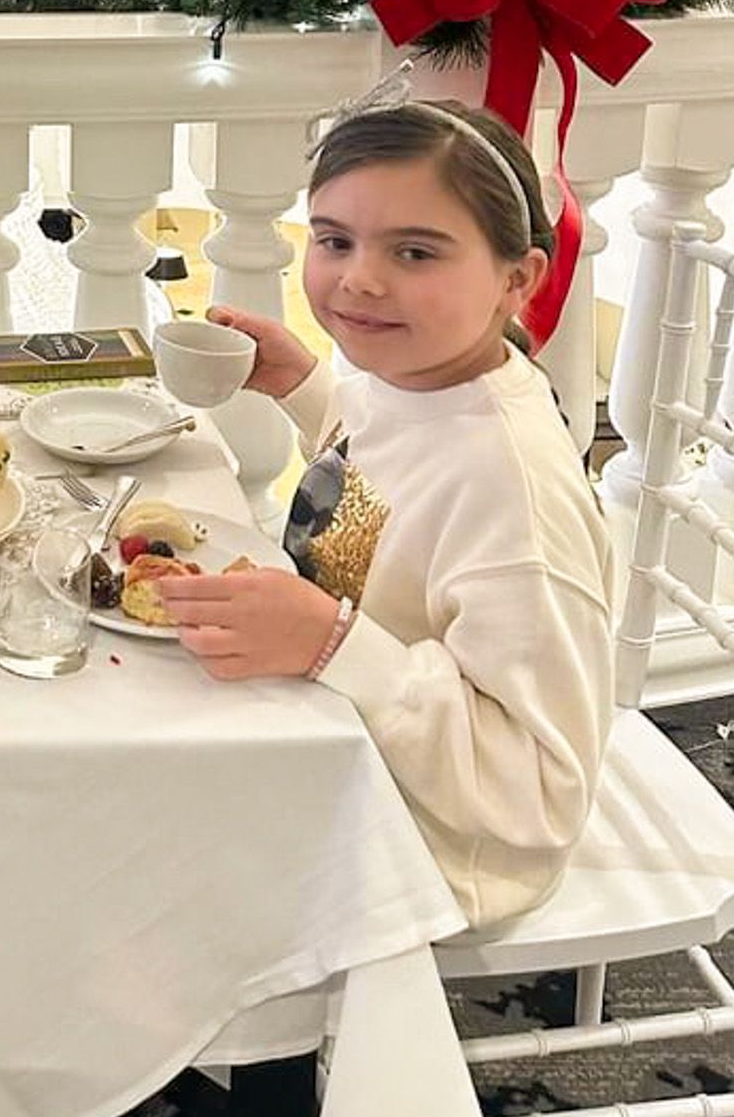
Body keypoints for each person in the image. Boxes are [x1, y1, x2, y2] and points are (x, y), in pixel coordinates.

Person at [157, 96, 614, 928]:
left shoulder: (514, 494)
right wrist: (303, 387)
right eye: (335, 240)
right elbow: (391, 487)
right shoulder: (414, 379)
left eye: (415, 251)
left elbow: (539, 789)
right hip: (336, 738)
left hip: (434, 847)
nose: (360, 279)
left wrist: (334, 643)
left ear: (518, 279)